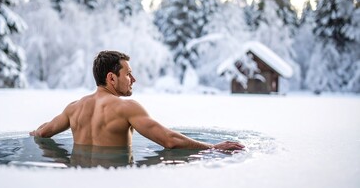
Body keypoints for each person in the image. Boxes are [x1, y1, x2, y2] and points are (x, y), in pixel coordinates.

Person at [30, 50, 244, 151]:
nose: (134, 79)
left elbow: (42, 133)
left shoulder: (73, 109)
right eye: (128, 74)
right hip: (118, 184)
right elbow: (169, 140)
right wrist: (213, 147)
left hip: (83, 185)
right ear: (111, 78)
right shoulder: (126, 108)